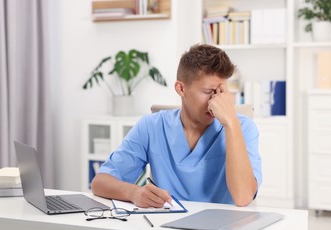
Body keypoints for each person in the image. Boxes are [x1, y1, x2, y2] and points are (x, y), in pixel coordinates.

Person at [91, 44, 262, 207]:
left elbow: (243, 197)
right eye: (209, 92)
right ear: (181, 89)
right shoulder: (152, 127)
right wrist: (134, 193)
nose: (216, 101)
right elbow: (100, 182)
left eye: (222, 92)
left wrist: (230, 124)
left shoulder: (243, 127)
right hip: (168, 228)